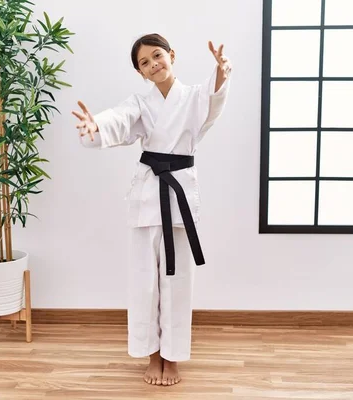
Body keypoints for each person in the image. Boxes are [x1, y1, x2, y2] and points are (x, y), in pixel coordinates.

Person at [72, 33, 231, 386]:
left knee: (177, 281)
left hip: (179, 195)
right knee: (145, 282)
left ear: (171, 55)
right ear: (141, 73)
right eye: (144, 63)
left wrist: (221, 71)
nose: (153, 64)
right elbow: (119, 118)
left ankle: (172, 358)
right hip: (147, 193)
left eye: (157, 55)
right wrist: (95, 124)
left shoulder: (192, 97)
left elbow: (214, 96)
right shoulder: (140, 103)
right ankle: (153, 355)